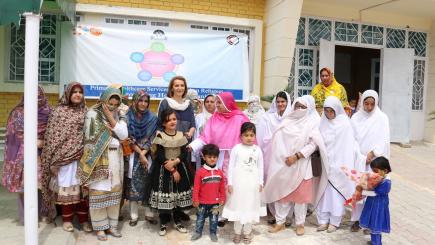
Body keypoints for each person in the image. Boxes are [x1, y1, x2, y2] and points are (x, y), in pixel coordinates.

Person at [263, 97, 328, 236]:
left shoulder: (312, 123)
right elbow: (277, 140)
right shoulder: (287, 120)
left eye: (303, 107)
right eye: (297, 105)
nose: (299, 109)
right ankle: (280, 222)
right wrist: (283, 157)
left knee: (301, 198)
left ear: (309, 108)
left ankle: (300, 224)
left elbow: (313, 144)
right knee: (282, 195)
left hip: (302, 164)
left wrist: (297, 156)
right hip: (284, 164)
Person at [78, 87, 128, 241]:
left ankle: (112, 226)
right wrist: (112, 129)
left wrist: (112, 117)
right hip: (98, 159)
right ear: (103, 100)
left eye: (115, 103)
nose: (112, 106)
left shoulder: (120, 116)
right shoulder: (92, 114)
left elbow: (124, 135)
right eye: (109, 103)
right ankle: (100, 228)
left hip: (115, 158)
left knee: (114, 192)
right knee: (99, 194)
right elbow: (90, 138)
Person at [40, 82, 91, 232]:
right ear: (68, 94)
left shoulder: (86, 112)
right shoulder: (58, 112)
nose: (77, 94)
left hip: (83, 157)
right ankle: (67, 220)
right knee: (67, 189)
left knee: (83, 190)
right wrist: (54, 160)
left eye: (80, 92)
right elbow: (52, 137)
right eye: (74, 91)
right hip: (64, 159)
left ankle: (83, 220)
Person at [2, 86, 51, 225]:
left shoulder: (49, 112)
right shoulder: (18, 112)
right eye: (32, 95)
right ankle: (25, 217)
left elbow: (54, 132)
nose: (35, 98)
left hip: (43, 154)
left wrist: (43, 141)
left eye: (38, 95)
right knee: (24, 186)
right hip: (22, 156)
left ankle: (42, 214)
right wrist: (31, 141)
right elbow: (15, 133)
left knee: (41, 186)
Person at [316, 96, 365, 233]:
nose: (329, 114)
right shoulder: (323, 122)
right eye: (326, 111)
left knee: (336, 195)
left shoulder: (345, 123)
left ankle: (335, 221)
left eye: (331, 111)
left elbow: (351, 144)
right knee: (324, 194)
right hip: (326, 166)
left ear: (337, 110)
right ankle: (323, 220)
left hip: (340, 166)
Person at [148, 108, 193, 236]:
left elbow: (184, 153)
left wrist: (176, 161)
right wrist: (172, 169)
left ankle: (177, 220)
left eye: (174, 119)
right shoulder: (160, 136)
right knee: (166, 194)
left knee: (178, 195)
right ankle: (163, 221)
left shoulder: (181, 135)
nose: (172, 122)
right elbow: (159, 155)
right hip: (164, 169)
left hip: (180, 167)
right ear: (163, 123)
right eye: (168, 120)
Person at [350, 90, 390, 231]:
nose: (368, 107)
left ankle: (369, 221)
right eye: (366, 103)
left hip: (375, 163)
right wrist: (360, 156)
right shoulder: (355, 118)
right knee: (359, 190)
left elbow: (384, 139)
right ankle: (356, 220)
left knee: (373, 192)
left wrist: (373, 154)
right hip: (359, 160)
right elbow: (351, 139)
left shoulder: (382, 118)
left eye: (372, 104)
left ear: (376, 103)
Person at [223, 122, 266, 244]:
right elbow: (230, 167)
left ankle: (247, 232)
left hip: (252, 184)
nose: (249, 138)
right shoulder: (236, 149)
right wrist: (230, 183)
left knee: (249, 207)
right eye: (246, 135)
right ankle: (237, 232)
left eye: (251, 135)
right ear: (241, 136)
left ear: (255, 136)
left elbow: (261, 167)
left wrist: (261, 182)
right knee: (238, 206)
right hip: (238, 184)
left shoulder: (257, 150)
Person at [256, 91, 292, 225]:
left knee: (285, 183)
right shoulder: (267, 117)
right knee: (270, 182)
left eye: (283, 101)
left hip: (287, 156)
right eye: (278, 101)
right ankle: (271, 212)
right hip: (269, 154)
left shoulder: (292, 117)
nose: (280, 104)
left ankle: (287, 215)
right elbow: (260, 137)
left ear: (288, 102)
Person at [124, 90, 158, 226]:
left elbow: (153, 137)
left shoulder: (153, 118)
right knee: (133, 184)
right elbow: (129, 138)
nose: (143, 104)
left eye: (146, 101)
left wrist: (144, 154)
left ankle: (149, 214)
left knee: (149, 184)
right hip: (133, 154)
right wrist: (139, 153)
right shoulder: (128, 117)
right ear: (135, 101)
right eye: (141, 100)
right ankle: (134, 216)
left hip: (149, 154)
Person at [191, 144, 226, 242]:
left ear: (217, 157)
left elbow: (222, 187)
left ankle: (213, 233)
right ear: (204, 157)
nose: (212, 159)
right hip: (202, 202)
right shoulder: (200, 172)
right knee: (200, 219)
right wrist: (195, 199)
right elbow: (196, 188)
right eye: (209, 157)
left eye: (214, 157)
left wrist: (223, 198)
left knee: (214, 219)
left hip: (215, 203)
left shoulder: (219, 172)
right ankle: (198, 232)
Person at [359, 157, 392, 245]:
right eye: (373, 171)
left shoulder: (386, 182)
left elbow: (375, 193)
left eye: (376, 171)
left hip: (378, 206)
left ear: (385, 170)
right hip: (373, 204)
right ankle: (375, 241)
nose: (374, 173)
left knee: (376, 223)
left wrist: (363, 191)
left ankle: (376, 243)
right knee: (373, 223)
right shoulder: (380, 177)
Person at [158, 76, 196, 141]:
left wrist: (190, 133)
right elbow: (159, 124)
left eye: (182, 85)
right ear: (172, 88)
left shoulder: (188, 104)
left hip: (185, 143)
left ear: (185, 88)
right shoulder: (166, 103)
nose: (180, 88)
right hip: (168, 143)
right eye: (176, 86)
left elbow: (192, 124)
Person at [192, 94, 216, 169]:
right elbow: (195, 135)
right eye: (207, 102)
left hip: (216, 152)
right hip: (202, 152)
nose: (209, 103)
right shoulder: (199, 117)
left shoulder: (220, 117)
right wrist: (195, 153)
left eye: (212, 102)